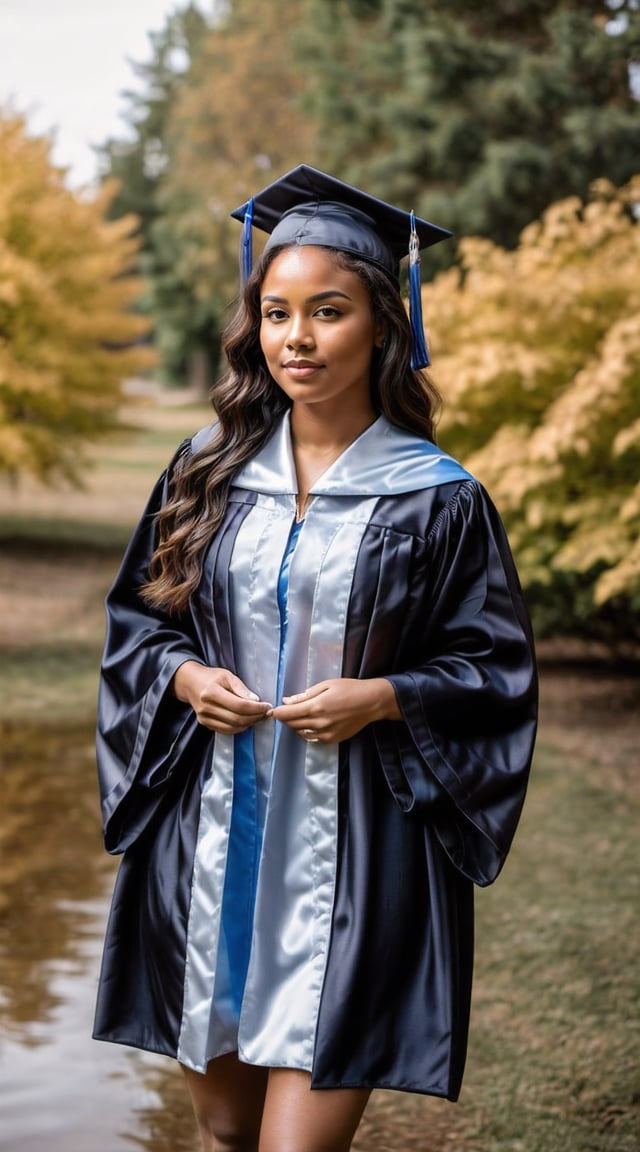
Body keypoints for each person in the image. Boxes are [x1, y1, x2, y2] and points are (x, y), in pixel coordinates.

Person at [93, 165, 538, 1152]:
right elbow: (138, 621)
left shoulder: (436, 497)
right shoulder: (206, 469)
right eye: (277, 312)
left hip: (358, 853)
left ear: (383, 321)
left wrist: (384, 696)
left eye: (327, 312)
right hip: (212, 838)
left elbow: (494, 670)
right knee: (222, 1128)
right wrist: (183, 675)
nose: (296, 338)